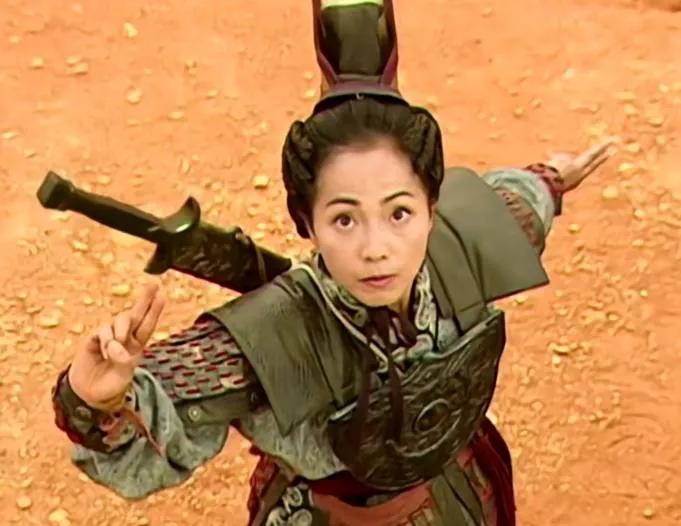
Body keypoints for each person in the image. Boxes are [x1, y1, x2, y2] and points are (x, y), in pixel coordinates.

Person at [49, 1, 614, 525]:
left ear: (431, 208)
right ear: (307, 223)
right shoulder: (264, 340)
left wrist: (550, 179)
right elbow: (153, 414)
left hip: (455, 500)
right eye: (345, 219)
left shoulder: (456, 251)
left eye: (399, 213)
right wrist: (96, 400)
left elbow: (511, 206)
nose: (376, 247)